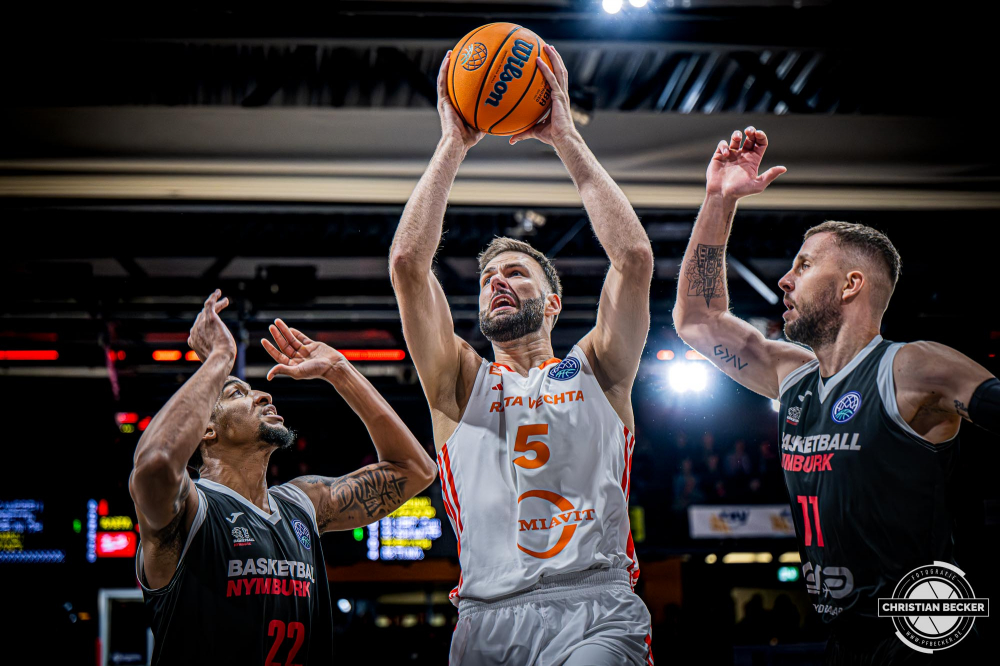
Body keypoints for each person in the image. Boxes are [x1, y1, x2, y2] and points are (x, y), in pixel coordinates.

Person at [673, 127, 999, 663]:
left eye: (803, 265)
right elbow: (698, 319)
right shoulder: (795, 375)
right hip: (846, 637)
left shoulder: (912, 365)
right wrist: (719, 200)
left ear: (850, 284)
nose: (783, 279)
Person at [389, 45, 654, 665]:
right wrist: (453, 142)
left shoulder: (600, 370)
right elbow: (407, 266)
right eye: (487, 279)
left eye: (516, 273)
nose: (497, 282)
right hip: (485, 620)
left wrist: (564, 136)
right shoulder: (457, 381)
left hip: (596, 608)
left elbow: (635, 260)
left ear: (555, 304)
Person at [129, 290, 437, 665]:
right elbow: (155, 463)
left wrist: (340, 371)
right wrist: (219, 360)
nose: (261, 395)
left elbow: (415, 470)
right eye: (237, 393)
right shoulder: (189, 511)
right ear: (206, 430)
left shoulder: (302, 503)